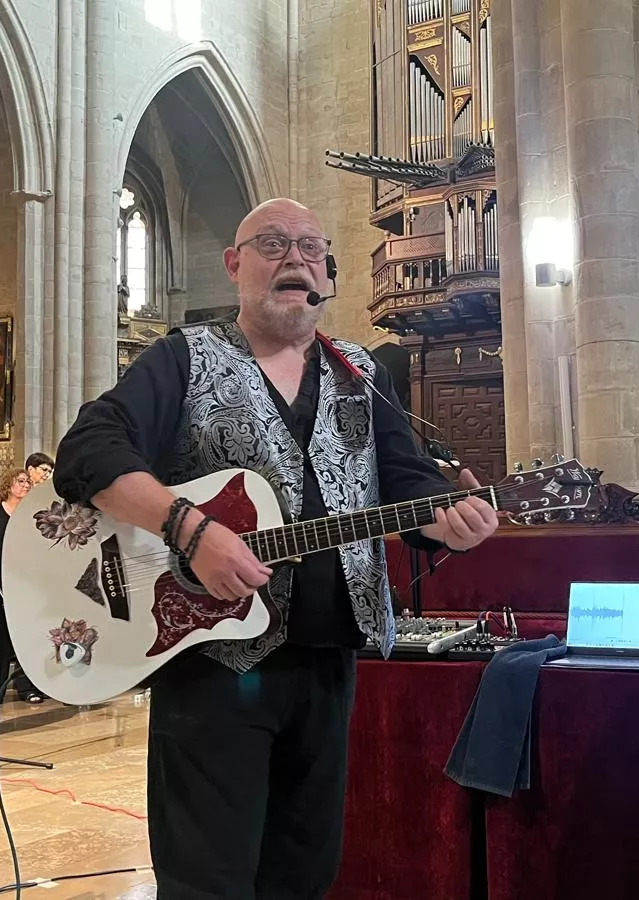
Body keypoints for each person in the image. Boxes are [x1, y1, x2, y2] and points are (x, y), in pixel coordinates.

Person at [54, 197, 499, 898]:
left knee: (303, 874)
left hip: (327, 664)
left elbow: (406, 485)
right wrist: (189, 530)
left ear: (327, 274)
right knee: (210, 880)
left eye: (309, 248)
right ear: (235, 266)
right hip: (211, 666)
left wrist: (450, 521)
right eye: (271, 244)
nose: (294, 257)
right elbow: (86, 452)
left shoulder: (361, 371)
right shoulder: (186, 358)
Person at [0, 469, 45, 703]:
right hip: (1, 581)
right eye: (21, 481)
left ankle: (28, 687)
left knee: (28, 637)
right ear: (8, 485)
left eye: (28, 482)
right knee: (0, 638)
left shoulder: (32, 515)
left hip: (27, 582)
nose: (26, 485)